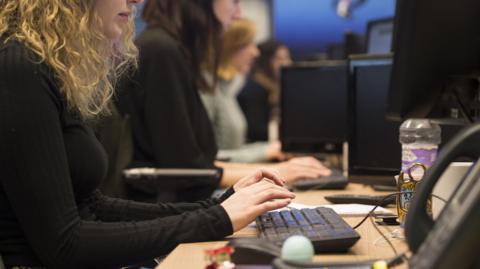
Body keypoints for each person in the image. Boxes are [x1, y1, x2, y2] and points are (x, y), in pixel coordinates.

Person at [0, 0, 295, 268]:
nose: (137, 1)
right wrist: (217, 219)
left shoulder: (50, 68)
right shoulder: (20, 67)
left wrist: (218, 206)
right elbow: (65, 245)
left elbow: (92, 206)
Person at [117, 0, 331, 201]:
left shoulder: (172, 51)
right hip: (168, 216)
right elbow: (186, 172)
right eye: (234, 2)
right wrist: (277, 172)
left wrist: (272, 172)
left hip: (180, 209)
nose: (238, 14)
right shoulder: (161, 50)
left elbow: (197, 166)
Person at [201, 19, 282, 163]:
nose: (256, 52)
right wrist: (265, 152)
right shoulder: (207, 89)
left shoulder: (223, 89)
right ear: (229, 47)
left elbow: (236, 150)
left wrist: (274, 148)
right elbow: (207, 160)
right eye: (248, 44)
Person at [237, 40, 293, 142]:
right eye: (279, 59)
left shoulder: (277, 87)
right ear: (265, 61)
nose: (286, 63)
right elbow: (254, 130)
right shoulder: (255, 89)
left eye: (287, 58)